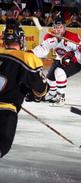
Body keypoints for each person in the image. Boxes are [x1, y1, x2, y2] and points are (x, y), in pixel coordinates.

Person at [0, 19, 48, 158]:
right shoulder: (27, 58)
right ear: (20, 39)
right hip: (5, 112)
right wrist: (35, 95)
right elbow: (40, 89)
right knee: (2, 145)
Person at [31, 16, 81, 106]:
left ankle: (61, 97)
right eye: (56, 27)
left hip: (76, 62)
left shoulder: (73, 36)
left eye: (60, 27)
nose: (58, 30)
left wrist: (73, 56)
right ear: (53, 28)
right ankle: (52, 94)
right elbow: (44, 48)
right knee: (50, 78)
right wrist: (32, 53)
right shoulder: (49, 36)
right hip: (60, 59)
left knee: (59, 72)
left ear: (64, 27)